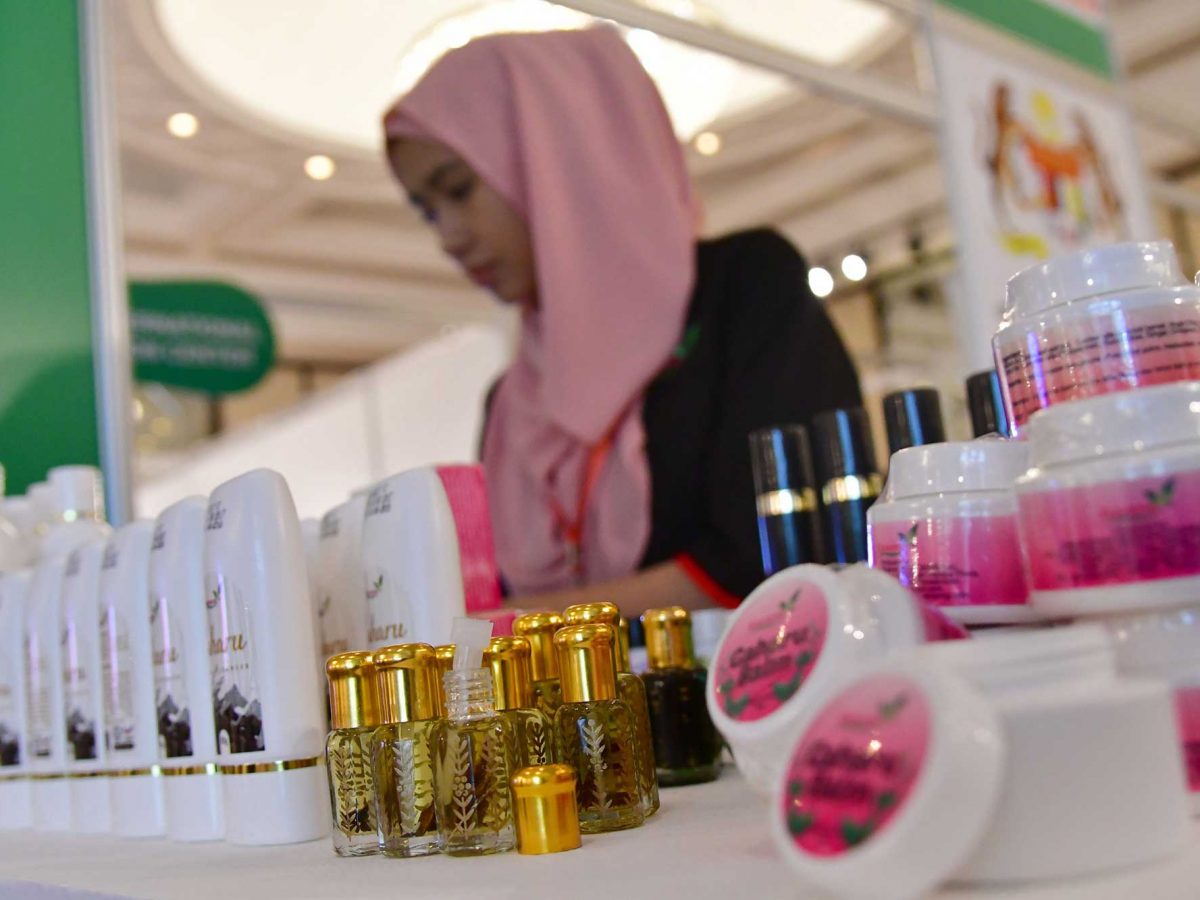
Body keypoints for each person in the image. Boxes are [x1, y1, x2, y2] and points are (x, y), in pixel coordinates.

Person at [382, 27, 861, 618]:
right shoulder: (509, 402)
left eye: (458, 189)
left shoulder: (742, 288)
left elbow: (768, 556)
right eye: (428, 211)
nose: (448, 237)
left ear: (560, 154)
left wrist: (507, 630)